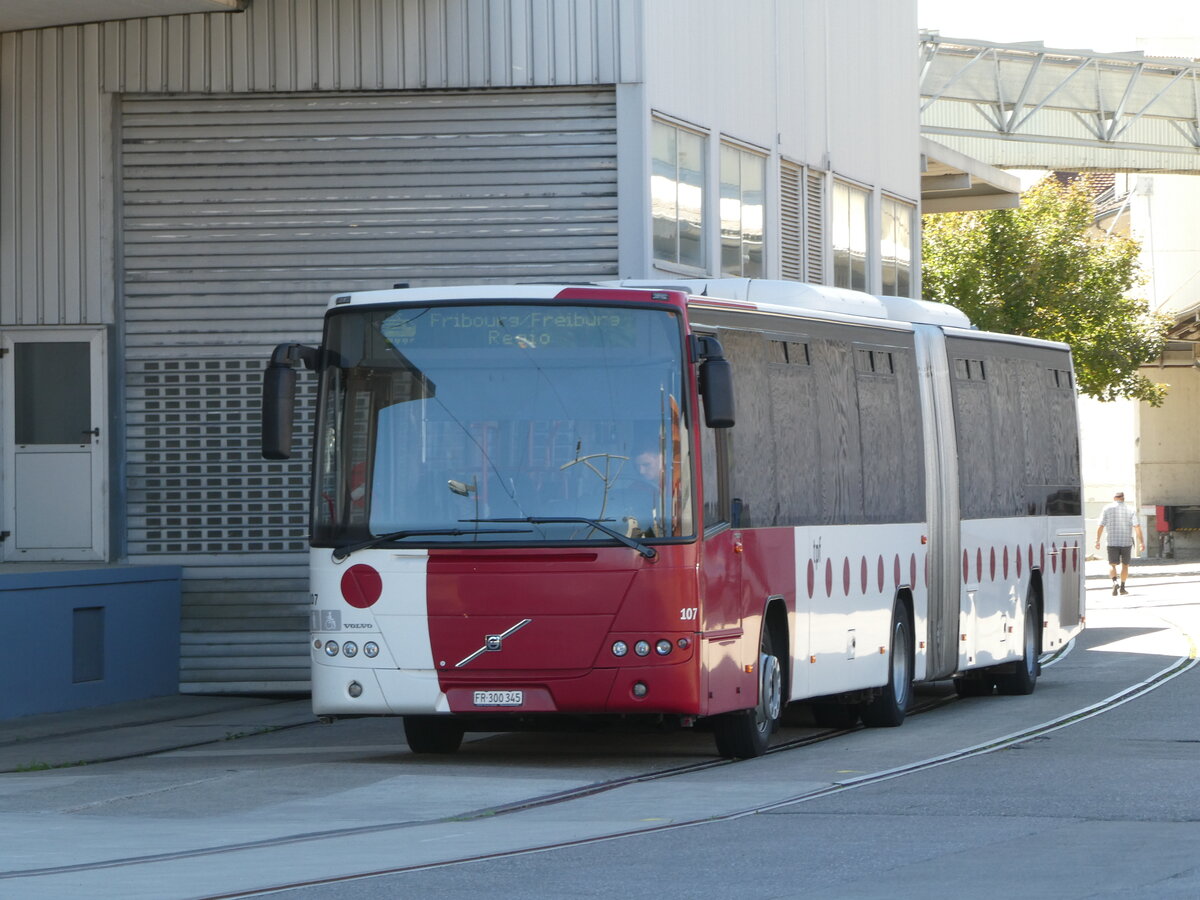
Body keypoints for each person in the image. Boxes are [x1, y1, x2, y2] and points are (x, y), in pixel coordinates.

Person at [1095, 491, 1145, 596]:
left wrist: (1097, 540)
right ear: (1123, 498)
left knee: (1112, 565)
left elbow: (1101, 525)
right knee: (1125, 565)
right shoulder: (1131, 509)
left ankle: (1114, 582)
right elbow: (1137, 526)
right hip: (1126, 542)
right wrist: (1141, 542)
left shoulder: (1107, 508)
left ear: (1114, 498)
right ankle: (1122, 588)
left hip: (1112, 541)